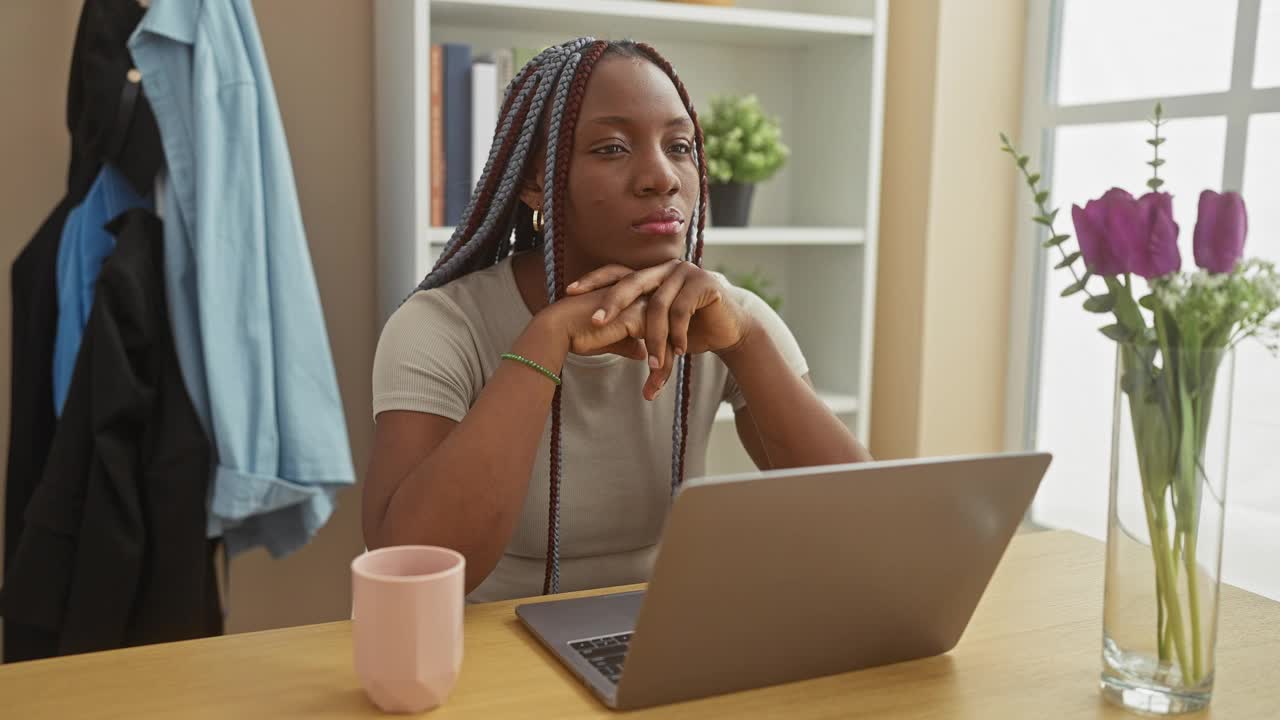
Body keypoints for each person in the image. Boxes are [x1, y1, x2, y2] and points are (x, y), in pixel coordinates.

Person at [365, 38, 871, 602]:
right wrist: (545, 341)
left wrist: (747, 346)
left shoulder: (731, 318)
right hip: (484, 662)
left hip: (659, 646)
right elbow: (404, 569)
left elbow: (863, 531)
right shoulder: (441, 326)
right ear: (536, 182)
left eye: (680, 146)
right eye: (611, 149)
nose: (662, 178)